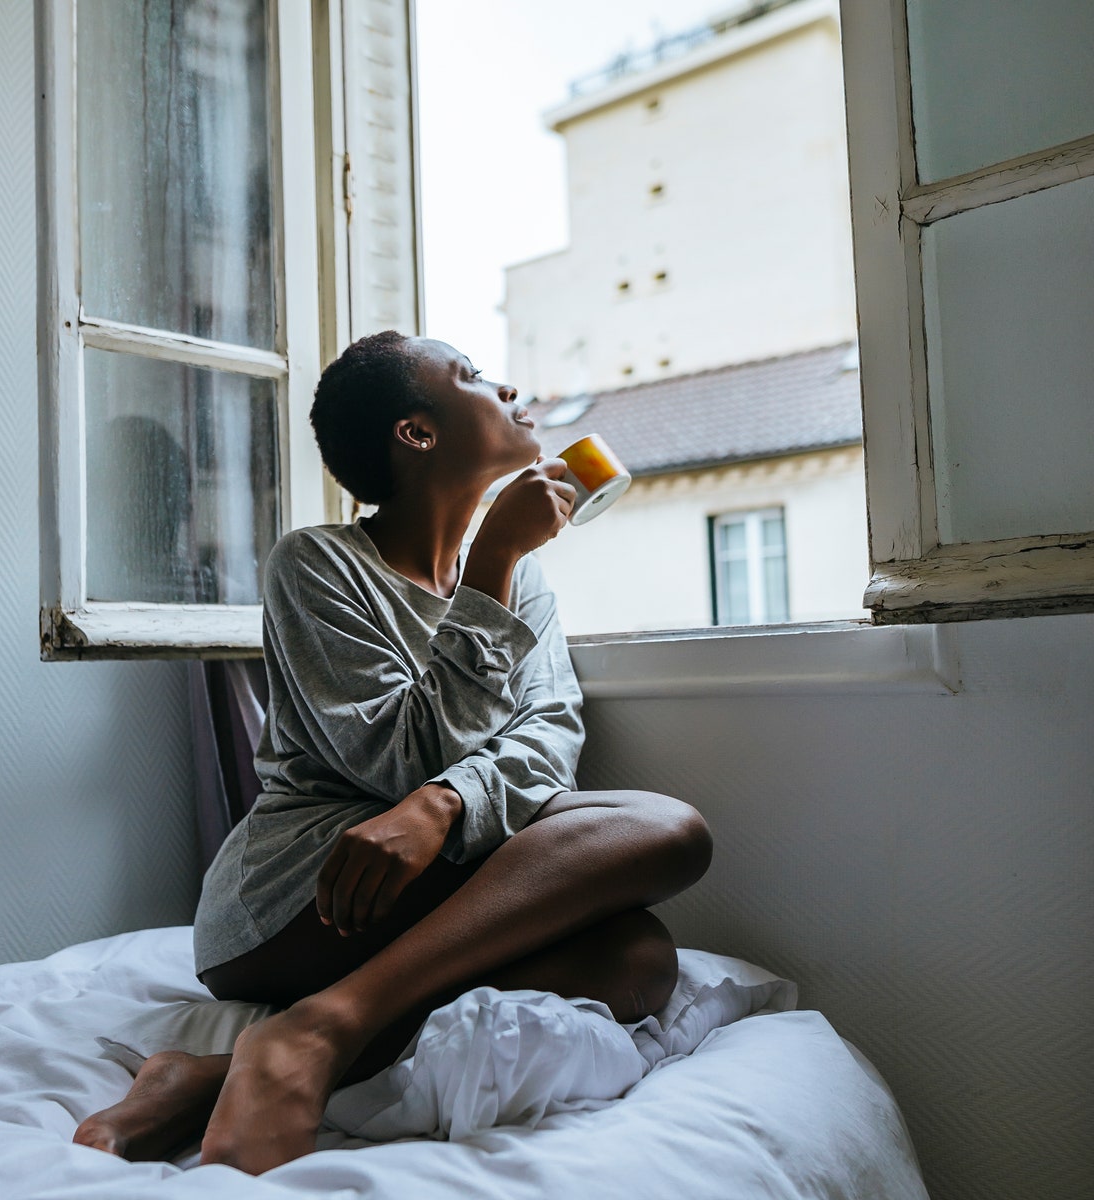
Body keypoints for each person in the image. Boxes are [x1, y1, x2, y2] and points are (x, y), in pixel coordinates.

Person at [73, 331, 713, 1175]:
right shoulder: (316, 564)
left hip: (432, 865)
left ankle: (228, 1070)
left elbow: (550, 739)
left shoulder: (528, 586)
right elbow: (395, 761)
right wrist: (492, 562)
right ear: (416, 433)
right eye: (475, 377)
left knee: (639, 959)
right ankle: (322, 1024)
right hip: (308, 887)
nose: (510, 386)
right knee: (669, 828)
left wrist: (443, 805)